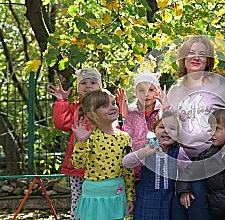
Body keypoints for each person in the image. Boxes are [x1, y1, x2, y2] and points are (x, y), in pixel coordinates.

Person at [166, 35, 225, 220]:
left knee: (199, 210)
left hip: (212, 161)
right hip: (181, 161)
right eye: (191, 53)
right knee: (178, 213)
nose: (196, 57)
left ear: (208, 60)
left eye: (202, 54)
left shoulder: (221, 85)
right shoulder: (174, 90)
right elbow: (168, 125)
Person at [71, 89, 135, 220]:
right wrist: (81, 142)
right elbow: (77, 164)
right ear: (92, 114)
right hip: (94, 197)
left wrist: (130, 197)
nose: (112, 107)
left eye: (113, 103)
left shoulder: (125, 137)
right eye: (105, 106)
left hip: (117, 195)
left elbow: (128, 170)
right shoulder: (89, 137)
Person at [49, 67, 102, 220]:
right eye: (84, 82)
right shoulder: (75, 107)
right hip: (78, 164)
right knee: (78, 198)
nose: (88, 86)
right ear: (78, 87)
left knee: (98, 198)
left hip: (101, 163)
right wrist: (61, 101)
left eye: (93, 82)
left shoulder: (106, 105)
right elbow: (62, 124)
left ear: (99, 86)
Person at [122, 111, 190, 220]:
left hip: (169, 200)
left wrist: (185, 190)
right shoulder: (148, 150)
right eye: (162, 127)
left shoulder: (179, 152)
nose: (166, 131)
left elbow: (189, 171)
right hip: (146, 200)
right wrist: (143, 152)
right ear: (154, 130)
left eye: (172, 128)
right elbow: (126, 162)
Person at [116, 70, 164, 187]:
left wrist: (165, 105)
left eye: (151, 90)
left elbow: (170, 128)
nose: (146, 94)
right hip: (137, 163)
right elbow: (127, 136)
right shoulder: (132, 113)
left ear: (158, 91)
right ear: (136, 92)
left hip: (158, 161)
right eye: (141, 90)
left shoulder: (161, 111)